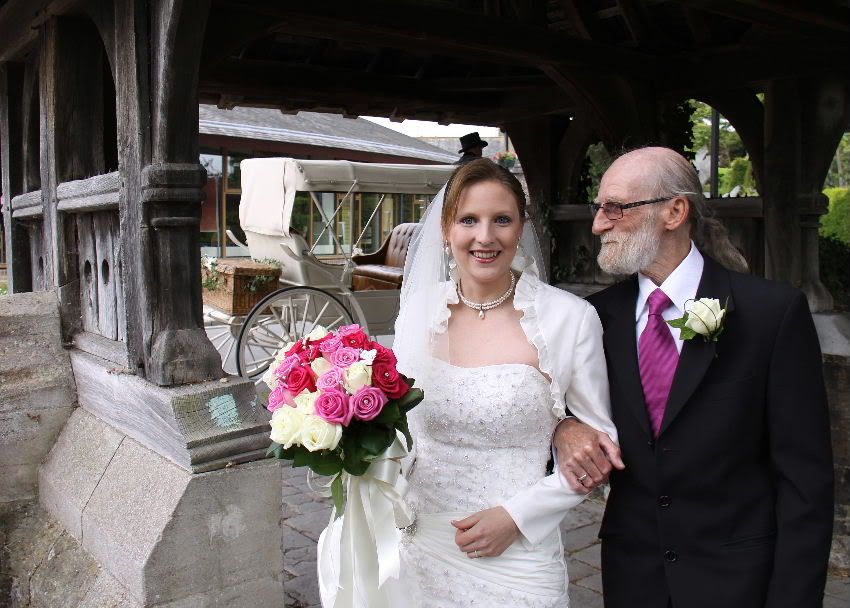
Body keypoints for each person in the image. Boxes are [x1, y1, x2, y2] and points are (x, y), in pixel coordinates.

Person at [554, 147, 834, 607]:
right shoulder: (594, 318)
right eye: (598, 208)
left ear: (675, 211)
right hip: (633, 577)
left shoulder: (771, 313)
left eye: (615, 207)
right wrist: (565, 426)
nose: (599, 224)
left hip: (738, 579)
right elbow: (558, 408)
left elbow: (805, 479)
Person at [388, 158, 617, 606]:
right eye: (468, 220)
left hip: (517, 553)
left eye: (502, 220)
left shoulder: (568, 318)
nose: (485, 236)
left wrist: (517, 517)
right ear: (446, 229)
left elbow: (599, 447)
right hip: (419, 539)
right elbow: (400, 428)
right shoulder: (417, 311)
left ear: (521, 227)